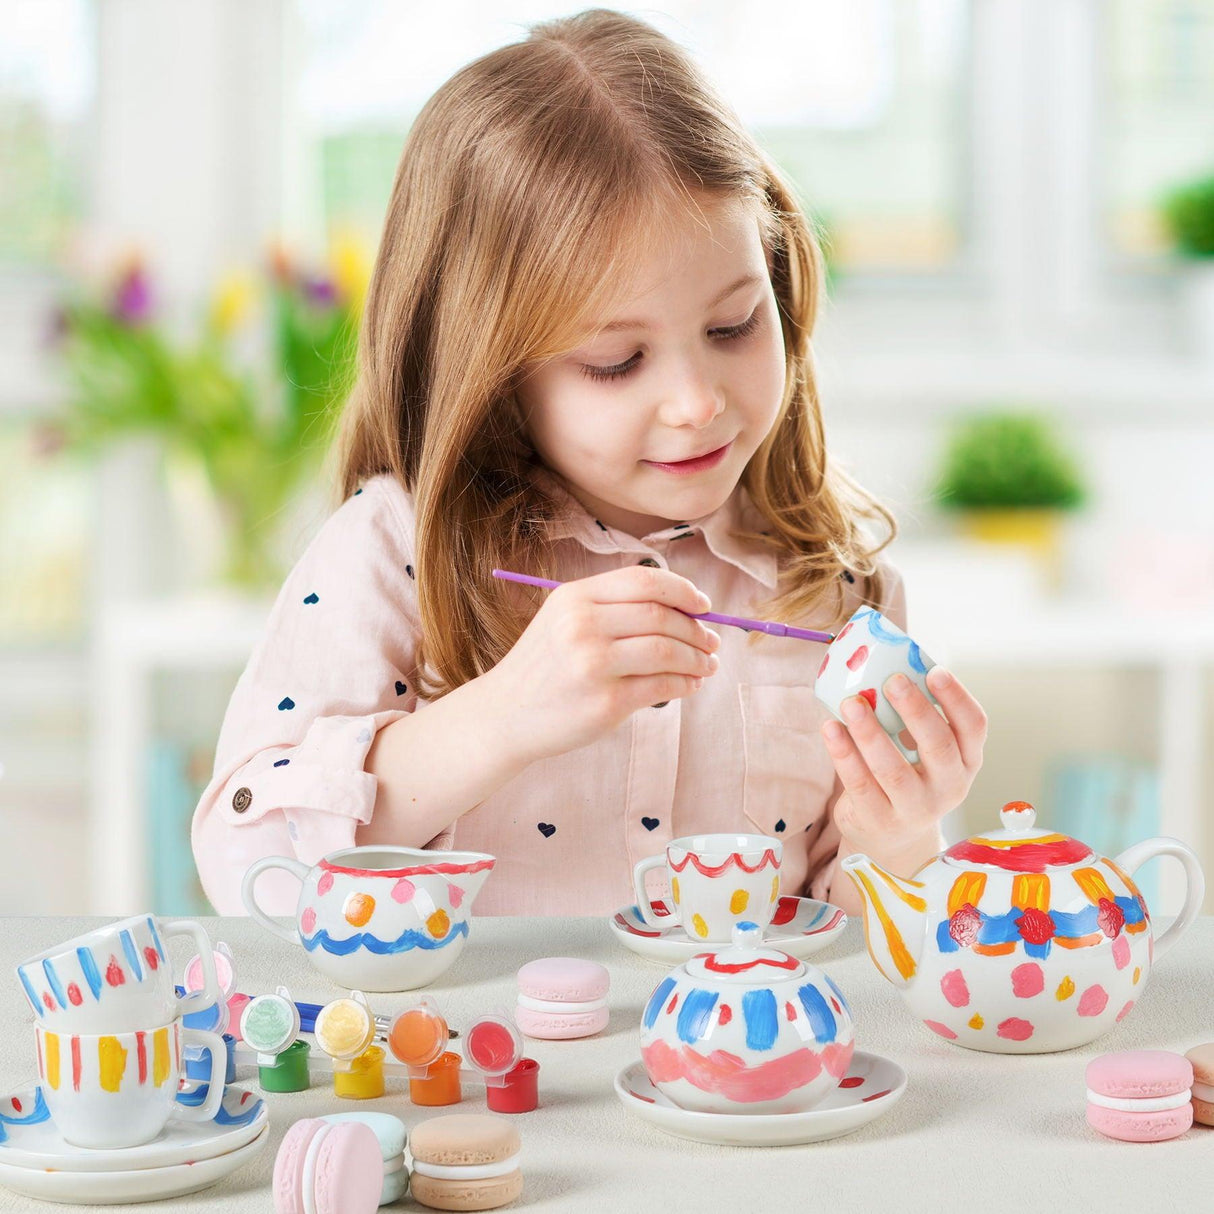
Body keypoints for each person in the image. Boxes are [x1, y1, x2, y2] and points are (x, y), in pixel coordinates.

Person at [191, 8, 987, 919]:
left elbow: (854, 939)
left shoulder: (835, 590)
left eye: (734, 325)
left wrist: (901, 837)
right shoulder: (396, 552)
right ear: (494, 371)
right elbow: (246, 871)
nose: (697, 401)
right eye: (616, 361)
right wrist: (503, 717)